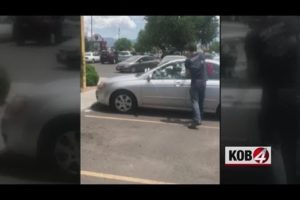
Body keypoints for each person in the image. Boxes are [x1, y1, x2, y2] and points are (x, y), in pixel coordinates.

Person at [185, 47, 207, 129]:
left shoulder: (188, 61)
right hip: (204, 82)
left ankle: (197, 119)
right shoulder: (202, 56)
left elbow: (187, 74)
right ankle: (200, 117)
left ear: (189, 52)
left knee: (195, 101)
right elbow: (202, 53)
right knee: (201, 101)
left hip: (195, 83)